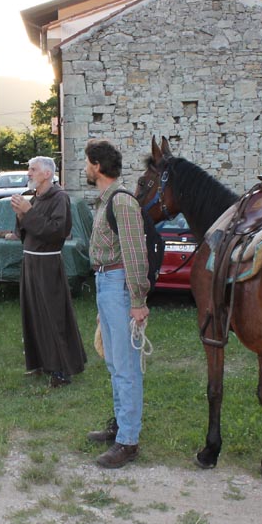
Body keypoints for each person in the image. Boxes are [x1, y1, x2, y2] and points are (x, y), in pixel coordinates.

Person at [84, 139, 150, 469]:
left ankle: (128, 441)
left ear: (97, 166)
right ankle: (121, 426)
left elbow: (136, 253)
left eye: (87, 162)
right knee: (113, 363)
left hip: (119, 285)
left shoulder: (121, 201)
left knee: (126, 367)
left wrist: (138, 300)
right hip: (106, 284)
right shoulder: (105, 201)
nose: (85, 168)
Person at [9, 156, 86, 387]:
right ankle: (41, 362)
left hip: (47, 264)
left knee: (53, 316)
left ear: (47, 174)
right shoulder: (36, 197)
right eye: (29, 169)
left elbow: (56, 231)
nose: (29, 173)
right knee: (33, 313)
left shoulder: (59, 198)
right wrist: (21, 216)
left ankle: (61, 369)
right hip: (30, 262)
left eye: (33, 169)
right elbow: (26, 233)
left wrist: (29, 212)